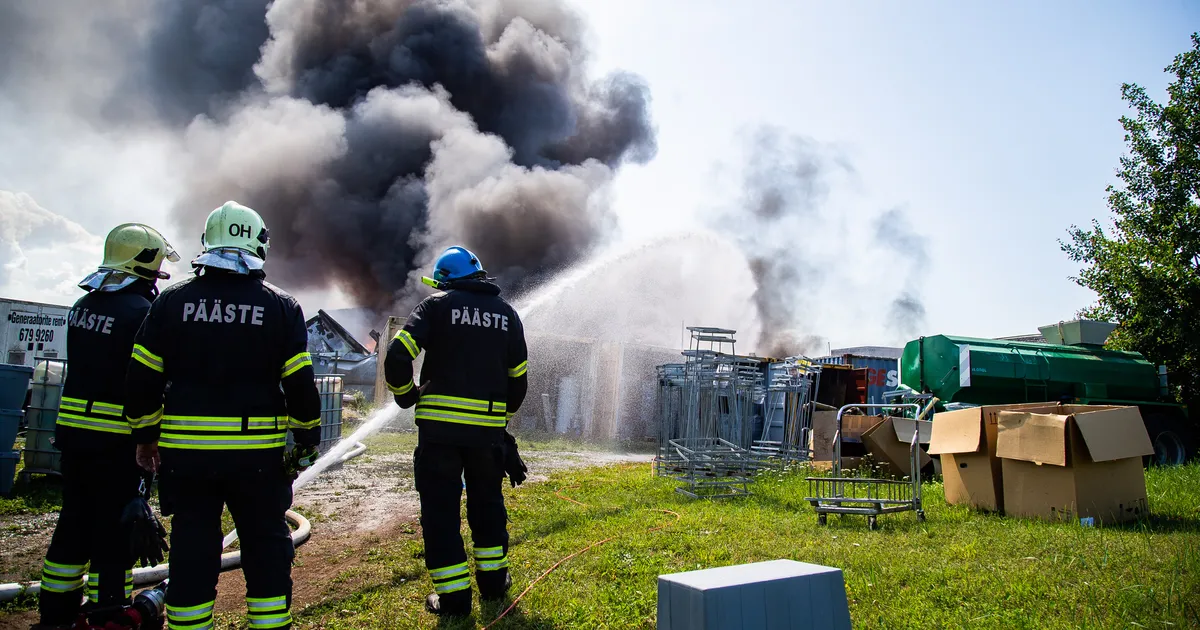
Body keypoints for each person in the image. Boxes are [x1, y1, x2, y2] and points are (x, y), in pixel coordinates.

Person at [123, 201, 321, 630]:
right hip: (258, 459)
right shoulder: (280, 307)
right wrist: (307, 440)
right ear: (258, 244)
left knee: (193, 546)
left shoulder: (171, 302)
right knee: (266, 544)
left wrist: (145, 436)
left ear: (207, 242)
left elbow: (141, 379)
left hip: (187, 459)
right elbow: (301, 385)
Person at [34, 223, 180, 630]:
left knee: (74, 523)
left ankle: (56, 613)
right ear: (145, 263)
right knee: (116, 531)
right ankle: (108, 613)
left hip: (74, 436)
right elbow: (147, 381)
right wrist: (149, 437)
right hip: (118, 439)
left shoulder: (84, 306)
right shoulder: (143, 312)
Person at [385, 245, 529, 617]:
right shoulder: (508, 315)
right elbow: (518, 381)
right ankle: (493, 584)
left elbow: (398, 355)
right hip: (486, 437)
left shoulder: (436, 306)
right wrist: (500, 421)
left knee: (441, 512)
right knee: (488, 506)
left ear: (445, 280)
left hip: (439, 436)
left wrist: (406, 395)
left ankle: (454, 598)